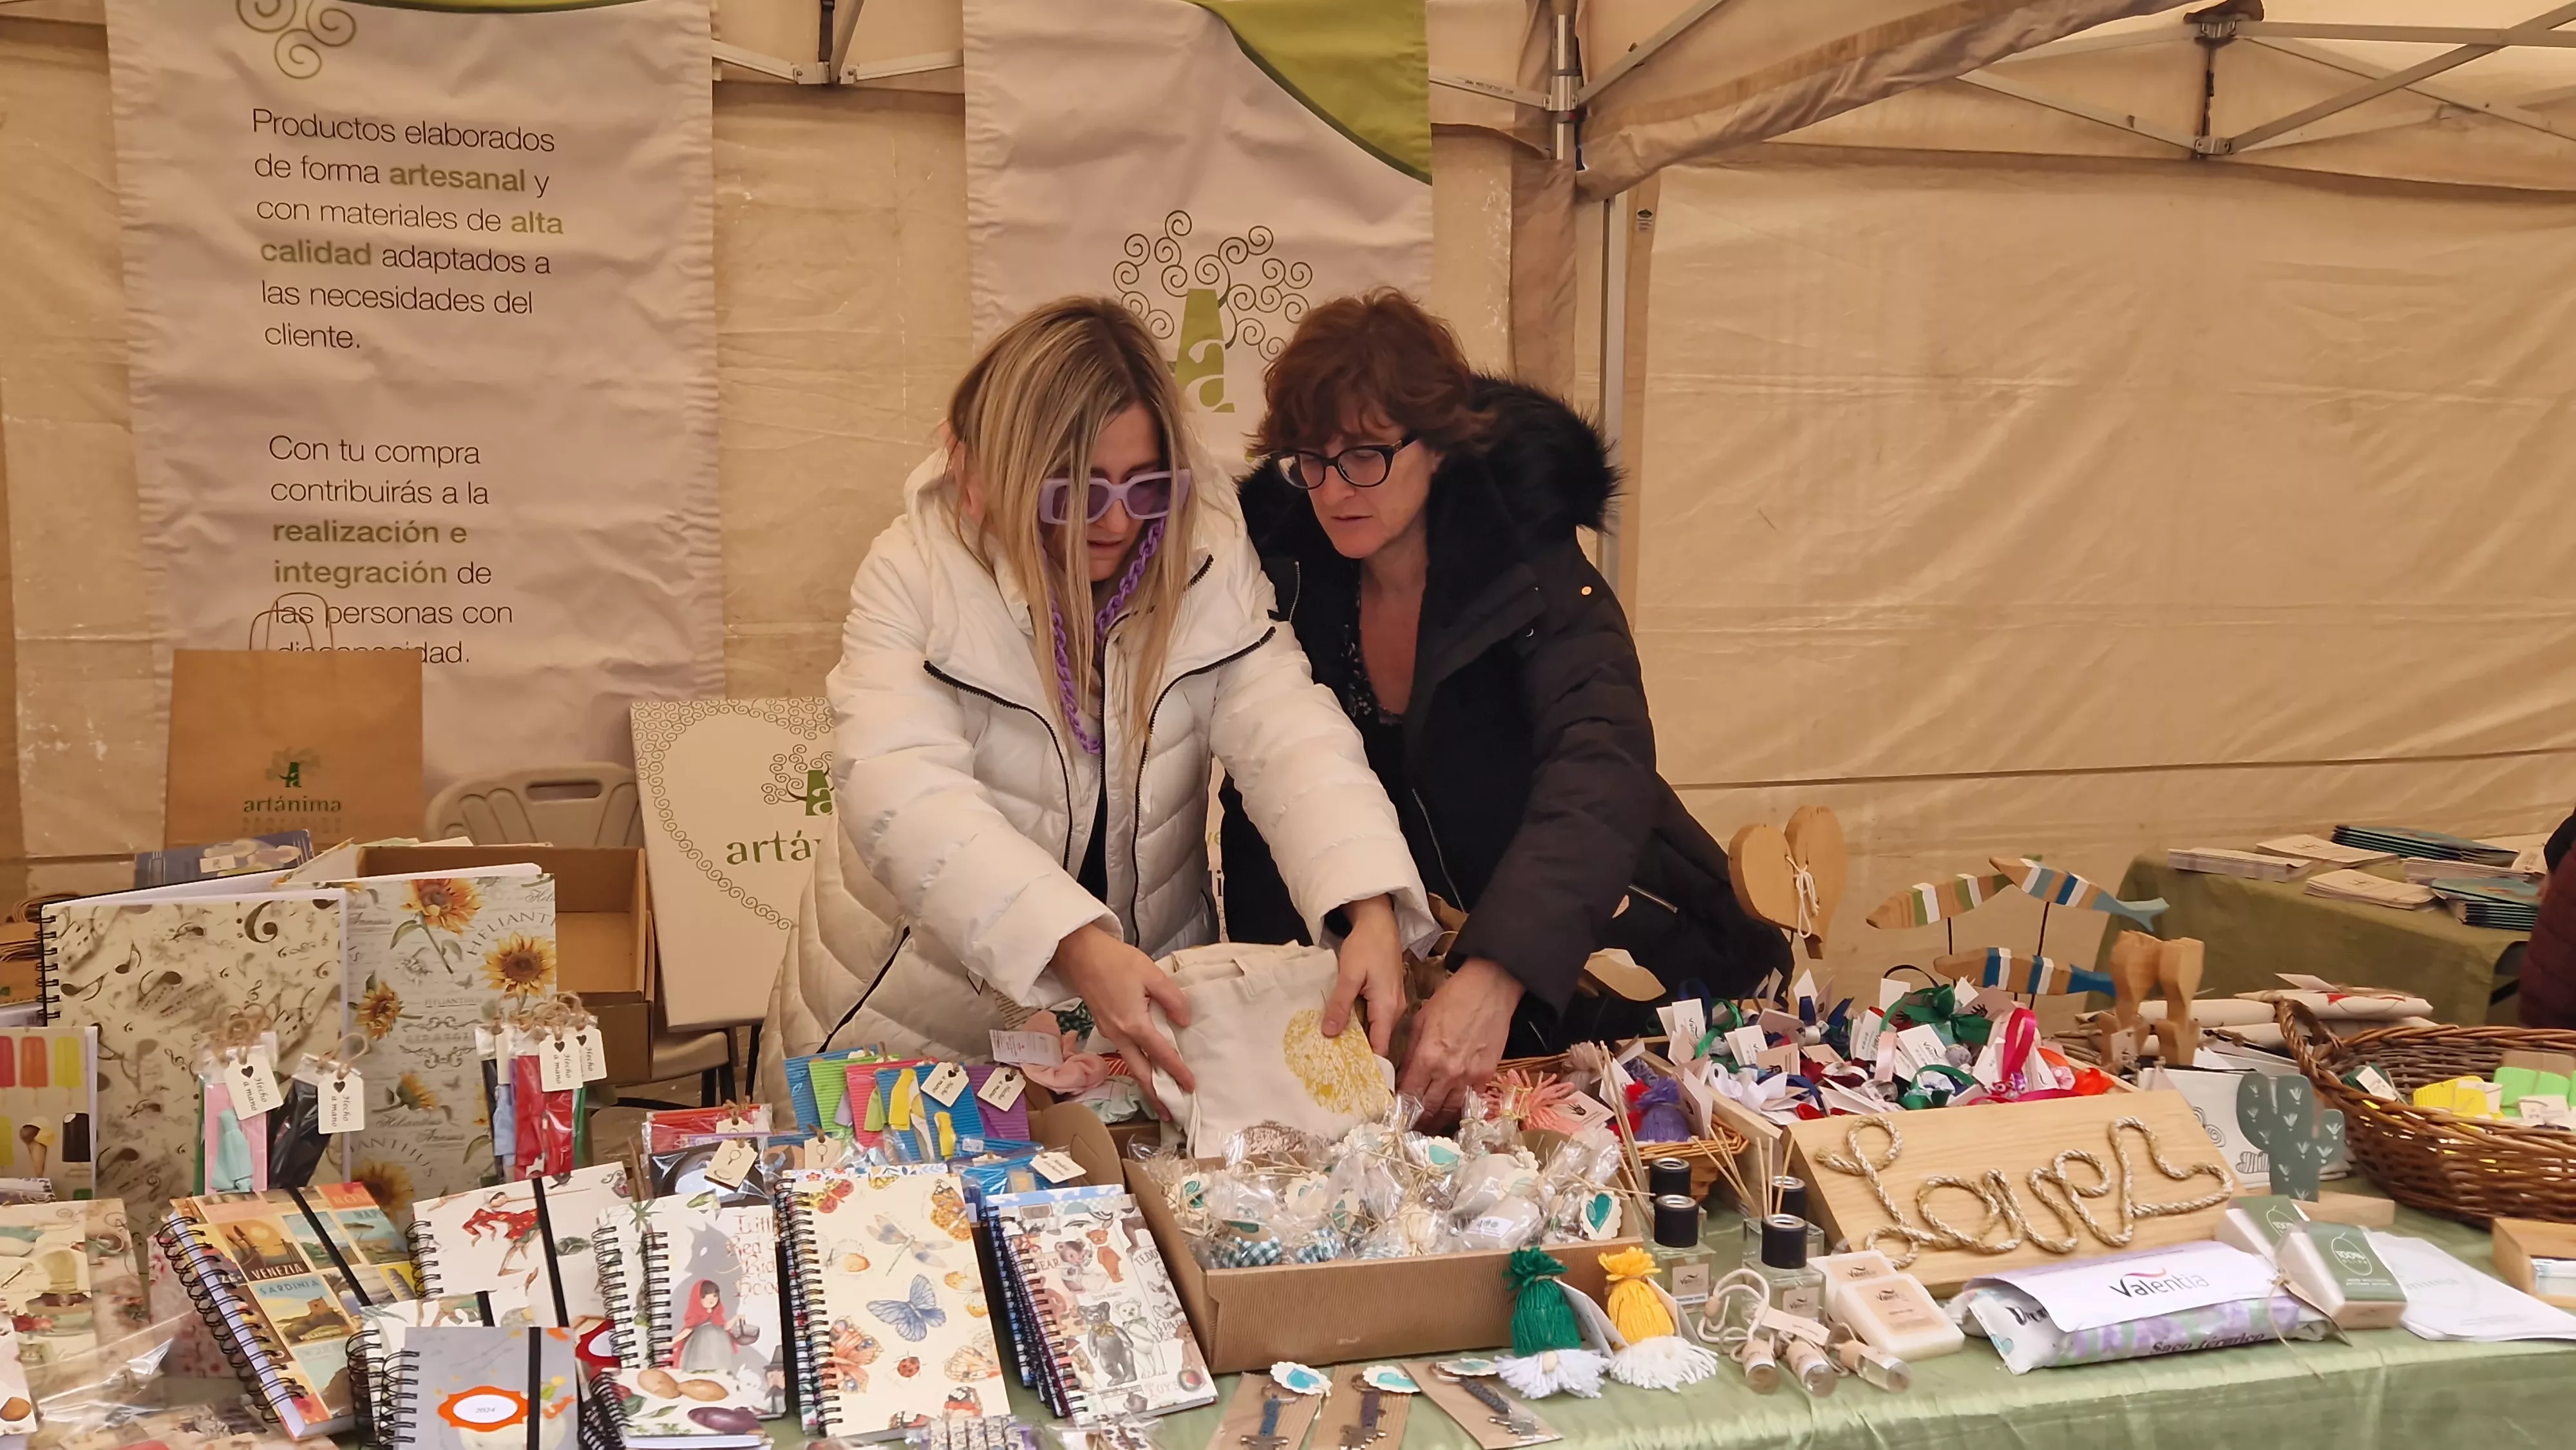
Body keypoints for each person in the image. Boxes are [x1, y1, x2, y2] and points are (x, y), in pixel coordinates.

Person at [823, 297, 1437, 1094]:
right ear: (996, 471)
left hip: (1142, 1007)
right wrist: (1073, 941)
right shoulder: (917, 571)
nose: (1115, 521)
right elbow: (900, 789)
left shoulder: (1204, 548)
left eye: (1144, 485)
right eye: (1073, 491)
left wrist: (1368, 902)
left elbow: (1287, 730)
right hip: (918, 1024)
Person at [1219, 290, 1790, 1118]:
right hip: (1423, 968)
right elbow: (1269, 794)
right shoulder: (1289, 575)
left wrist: (1499, 968)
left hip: (1616, 954)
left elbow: (1600, 764)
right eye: (1310, 458)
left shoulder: (1528, 561)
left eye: (1367, 455)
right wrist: (1280, 994)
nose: (1335, 488)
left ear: (1438, 447)